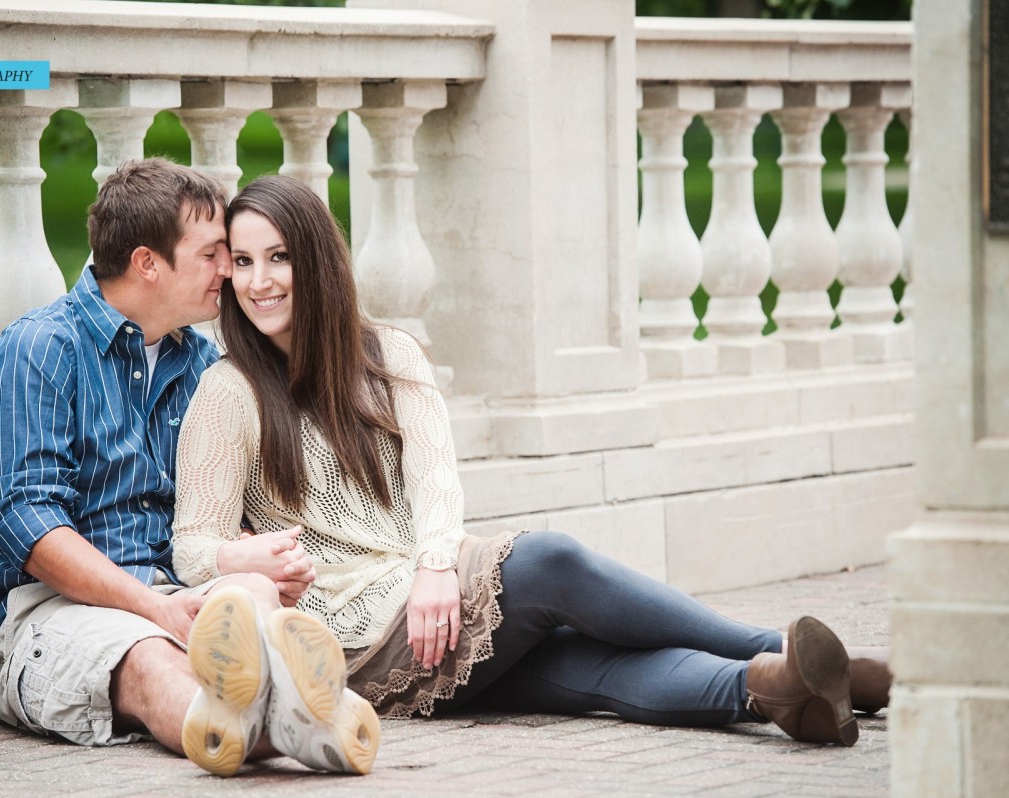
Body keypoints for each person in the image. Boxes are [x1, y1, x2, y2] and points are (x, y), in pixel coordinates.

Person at [171, 174, 892, 748]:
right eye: (241, 261)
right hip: (357, 640)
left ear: (317, 261)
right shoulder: (227, 393)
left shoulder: (388, 355)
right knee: (547, 562)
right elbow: (192, 546)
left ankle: (785, 690)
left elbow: (435, 481)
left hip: (426, 595)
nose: (259, 280)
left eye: (278, 257)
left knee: (591, 668)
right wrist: (243, 562)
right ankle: (786, 649)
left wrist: (432, 566)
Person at [0, 158, 379, 779]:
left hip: (175, 593)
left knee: (256, 594)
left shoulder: (200, 362)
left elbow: (210, 516)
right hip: (52, 611)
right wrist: (154, 610)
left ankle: (287, 714)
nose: (230, 271)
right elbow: (28, 526)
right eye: (213, 254)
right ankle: (303, 723)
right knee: (151, 659)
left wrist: (246, 558)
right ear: (148, 263)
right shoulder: (38, 350)